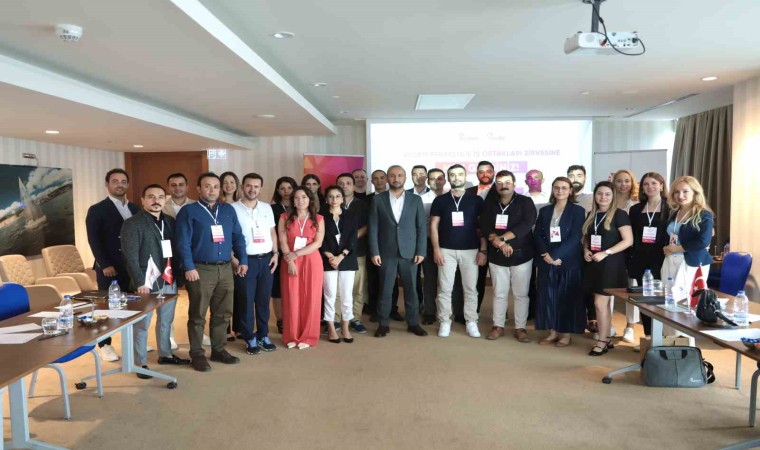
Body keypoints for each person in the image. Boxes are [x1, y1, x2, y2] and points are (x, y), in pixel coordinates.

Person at [175, 172, 248, 372]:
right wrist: (189, 266)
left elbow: (238, 236)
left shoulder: (228, 210)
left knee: (223, 313)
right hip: (200, 269)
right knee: (198, 314)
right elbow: (182, 242)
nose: (212, 190)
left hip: (225, 268)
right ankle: (197, 354)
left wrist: (243, 259)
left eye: (216, 186)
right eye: (207, 186)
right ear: (198, 189)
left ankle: (218, 349)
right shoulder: (189, 211)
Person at [121, 184, 190, 378]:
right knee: (142, 324)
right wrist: (139, 282)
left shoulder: (170, 221)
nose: (156, 200)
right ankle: (140, 363)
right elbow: (130, 256)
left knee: (166, 321)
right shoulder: (132, 223)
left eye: (160, 197)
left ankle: (165, 354)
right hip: (147, 282)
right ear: (142, 200)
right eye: (151, 196)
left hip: (169, 277)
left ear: (164, 200)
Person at [368, 165, 428, 338]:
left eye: (400, 175)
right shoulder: (378, 200)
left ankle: (413, 323)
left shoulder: (415, 200)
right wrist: (374, 251)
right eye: (392, 176)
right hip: (386, 253)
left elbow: (421, 228)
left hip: (410, 253)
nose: (396, 179)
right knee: (385, 290)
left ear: (405, 178)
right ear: (388, 178)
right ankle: (383, 324)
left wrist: (421, 251)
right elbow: (373, 228)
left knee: (411, 290)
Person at [86, 168, 139, 362]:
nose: (120, 185)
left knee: (133, 305)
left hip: (132, 267)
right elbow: (94, 240)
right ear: (107, 184)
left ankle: (132, 341)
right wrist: (105, 264)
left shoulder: (135, 208)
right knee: (106, 308)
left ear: (128, 184)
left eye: (123, 181)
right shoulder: (97, 209)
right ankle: (105, 345)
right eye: (115, 181)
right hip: (110, 268)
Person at [430, 164, 487, 338]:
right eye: (453, 175)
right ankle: (445, 321)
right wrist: (436, 249)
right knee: (445, 288)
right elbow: (433, 225)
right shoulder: (440, 200)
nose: (456, 178)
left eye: (460, 174)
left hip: (470, 250)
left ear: (465, 177)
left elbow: (482, 227)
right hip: (446, 250)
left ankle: (471, 321)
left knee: (470, 288)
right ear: (448, 178)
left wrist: (483, 250)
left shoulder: (476, 200)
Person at [480, 170, 536, 342]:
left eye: (507, 182)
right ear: (496, 185)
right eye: (499, 182)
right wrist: (500, 243)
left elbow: (527, 224)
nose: (503, 185)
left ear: (514, 184)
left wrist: (503, 239)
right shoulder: (490, 203)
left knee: (521, 294)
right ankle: (498, 325)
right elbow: (485, 225)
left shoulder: (525, 201)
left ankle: (520, 328)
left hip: (522, 256)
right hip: (497, 255)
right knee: (499, 292)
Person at [534, 177, 587, 347]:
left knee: (566, 298)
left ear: (570, 190)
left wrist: (556, 255)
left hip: (568, 260)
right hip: (546, 260)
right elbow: (538, 234)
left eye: (564, 188)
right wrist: (546, 254)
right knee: (548, 297)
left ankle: (565, 334)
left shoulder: (578, 211)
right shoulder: (545, 210)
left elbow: (576, 236)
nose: (560, 191)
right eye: (556, 187)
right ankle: (552, 332)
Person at [582, 181, 633, 356]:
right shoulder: (591, 215)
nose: (603, 197)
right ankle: (607, 338)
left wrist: (606, 253)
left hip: (611, 264)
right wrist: (586, 250)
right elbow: (587, 238)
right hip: (594, 263)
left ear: (613, 197)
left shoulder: (620, 214)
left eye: (607, 194)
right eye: (599, 193)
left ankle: (602, 340)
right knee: (602, 304)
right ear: (595, 195)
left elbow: (628, 240)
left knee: (599, 303)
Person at [231, 173, 279, 355]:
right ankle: (249, 337)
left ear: (261, 188)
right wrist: (233, 259)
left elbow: (272, 232)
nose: (252, 189)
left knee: (263, 301)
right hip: (245, 262)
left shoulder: (267, 208)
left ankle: (263, 335)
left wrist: (276, 253)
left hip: (266, 260)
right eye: (249, 186)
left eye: (256, 186)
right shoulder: (232, 209)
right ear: (242, 187)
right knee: (246, 301)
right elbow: (227, 237)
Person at [627, 172, 670, 349]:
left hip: (662, 258)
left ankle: (663, 338)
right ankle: (649, 337)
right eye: (646, 184)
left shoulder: (670, 207)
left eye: (654, 183)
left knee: (660, 299)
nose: (650, 187)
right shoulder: (636, 209)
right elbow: (632, 235)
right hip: (640, 259)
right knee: (644, 299)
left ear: (661, 185)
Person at [278, 187, 325, 349]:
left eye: (304, 197)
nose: (300, 200)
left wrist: (296, 254)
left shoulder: (318, 218)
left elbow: (318, 243)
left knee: (311, 298)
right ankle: (292, 335)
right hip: (289, 260)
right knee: (291, 297)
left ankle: (308, 336)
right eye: (296, 197)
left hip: (311, 260)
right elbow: (282, 240)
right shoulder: (284, 217)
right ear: (292, 200)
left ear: (310, 199)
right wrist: (290, 260)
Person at [662, 176, 714, 308]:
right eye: (676, 192)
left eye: (685, 191)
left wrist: (675, 249)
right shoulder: (674, 213)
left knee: (686, 302)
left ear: (695, 192)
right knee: (669, 298)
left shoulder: (704, 214)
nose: (680, 196)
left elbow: (703, 241)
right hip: (671, 259)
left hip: (692, 261)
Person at [162, 172, 198, 349]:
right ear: (168, 187)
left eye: (181, 184)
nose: (177, 188)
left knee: (198, 299)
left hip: (193, 259)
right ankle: (168, 336)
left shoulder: (197, 206)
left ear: (187, 187)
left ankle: (199, 334)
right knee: (169, 300)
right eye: (173, 185)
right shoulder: (161, 206)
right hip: (169, 260)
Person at [320, 186, 359, 343]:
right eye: (331, 196)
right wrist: (331, 256)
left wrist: (341, 256)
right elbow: (319, 239)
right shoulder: (320, 216)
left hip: (347, 259)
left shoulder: (351, 215)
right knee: (329, 295)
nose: (334, 199)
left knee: (347, 295)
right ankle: (331, 327)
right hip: (328, 259)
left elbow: (353, 238)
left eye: (337, 196)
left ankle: (345, 327)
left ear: (343, 198)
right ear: (326, 199)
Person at [336, 173, 369, 334]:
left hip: (358, 251)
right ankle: (335, 319)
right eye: (341, 183)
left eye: (348, 183)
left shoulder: (362, 205)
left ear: (354, 185)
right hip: (336, 253)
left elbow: (367, 226)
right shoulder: (332, 203)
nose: (344, 186)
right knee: (336, 289)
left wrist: (351, 238)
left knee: (358, 288)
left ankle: (355, 319)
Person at [611, 169, 640, 341]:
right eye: (619, 181)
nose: (623, 184)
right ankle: (608, 325)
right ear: (614, 183)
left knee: (632, 289)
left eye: (627, 181)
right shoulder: (608, 200)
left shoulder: (637, 203)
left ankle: (630, 327)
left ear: (632, 183)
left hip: (631, 251)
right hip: (610, 250)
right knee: (608, 287)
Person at [270, 176, 298, 334]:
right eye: (282, 188)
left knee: (295, 286)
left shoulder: (300, 206)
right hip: (278, 253)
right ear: (277, 191)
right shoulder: (272, 209)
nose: (286, 191)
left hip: (298, 253)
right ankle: (281, 320)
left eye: (289, 188)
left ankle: (294, 317)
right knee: (277, 288)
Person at [420, 168, 445, 324]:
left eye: (439, 178)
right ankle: (429, 311)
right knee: (430, 279)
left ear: (445, 181)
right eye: (432, 179)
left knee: (450, 280)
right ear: (428, 181)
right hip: (428, 243)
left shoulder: (451, 198)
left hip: (449, 244)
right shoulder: (421, 200)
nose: (436, 181)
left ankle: (455, 312)